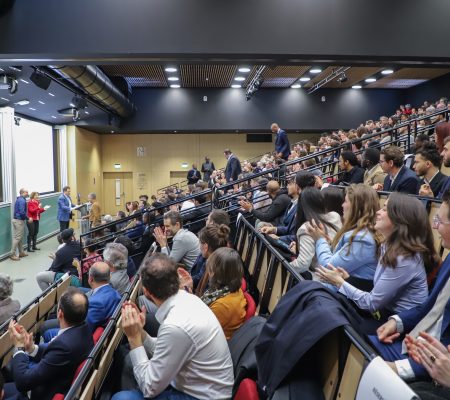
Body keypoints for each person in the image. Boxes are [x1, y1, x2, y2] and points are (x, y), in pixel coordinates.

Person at [111, 254, 233, 400]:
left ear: (146, 292)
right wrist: (140, 333)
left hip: (202, 396)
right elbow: (166, 348)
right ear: (177, 278)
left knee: (121, 398)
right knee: (131, 363)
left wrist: (133, 338)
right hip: (202, 386)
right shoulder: (189, 299)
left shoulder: (175, 325)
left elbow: (149, 389)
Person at [367, 188, 450, 384]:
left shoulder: (404, 257)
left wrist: (401, 368)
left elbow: (444, 361)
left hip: (427, 364)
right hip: (414, 342)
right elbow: (429, 307)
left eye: (439, 222)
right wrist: (397, 321)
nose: (436, 228)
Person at [317, 192, 439, 321]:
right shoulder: (388, 245)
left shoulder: (404, 258)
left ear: (400, 219)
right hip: (383, 313)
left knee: (325, 310)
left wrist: (340, 282)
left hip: (394, 324)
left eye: (385, 209)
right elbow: (377, 290)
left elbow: (371, 303)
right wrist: (347, 279)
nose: (377, 212)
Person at [4, 288, 94, 400]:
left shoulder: (64, 346)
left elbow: (23, 383)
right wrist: (32, 348)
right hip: (56, 379)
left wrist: (19, 347)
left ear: (60, 313)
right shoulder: (84, 329)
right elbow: (55, 356)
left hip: (41, 392)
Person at [308, 184, 380, 290]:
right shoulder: (361, 233)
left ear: (356, 206)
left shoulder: (363, 239)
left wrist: (320, 240)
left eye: (345, 201)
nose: (342, 205)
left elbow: (328, 267)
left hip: (347, 298)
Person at [41, 262, 121, 342]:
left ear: (90, 279)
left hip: (78, 337)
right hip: (99, 327)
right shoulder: (116, 293)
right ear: (109, 276)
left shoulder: (95, 303)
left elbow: (82, 328)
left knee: (45, 326)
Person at [289, 187, 342, 274]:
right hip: (339, 270)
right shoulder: (335, 215)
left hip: (319, 277)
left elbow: (302, 265)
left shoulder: (307, 228)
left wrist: (285, 266)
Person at [201, 248, 247, 340]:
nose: (209, 273)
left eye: (210, 269)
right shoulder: (230, 289)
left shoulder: (222, 305)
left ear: (216, 273)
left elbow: (198, 332)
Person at [10, 189, 29, 261]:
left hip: (17, 220)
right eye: (26, 192)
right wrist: (28, 219)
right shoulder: (22, 200)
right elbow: (22, 212)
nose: (27, 193)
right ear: (22, 193)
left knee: (19, 237)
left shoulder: (20, 199)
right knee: (17, 238)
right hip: (19, 221)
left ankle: (21, 252)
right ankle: (12, 254)